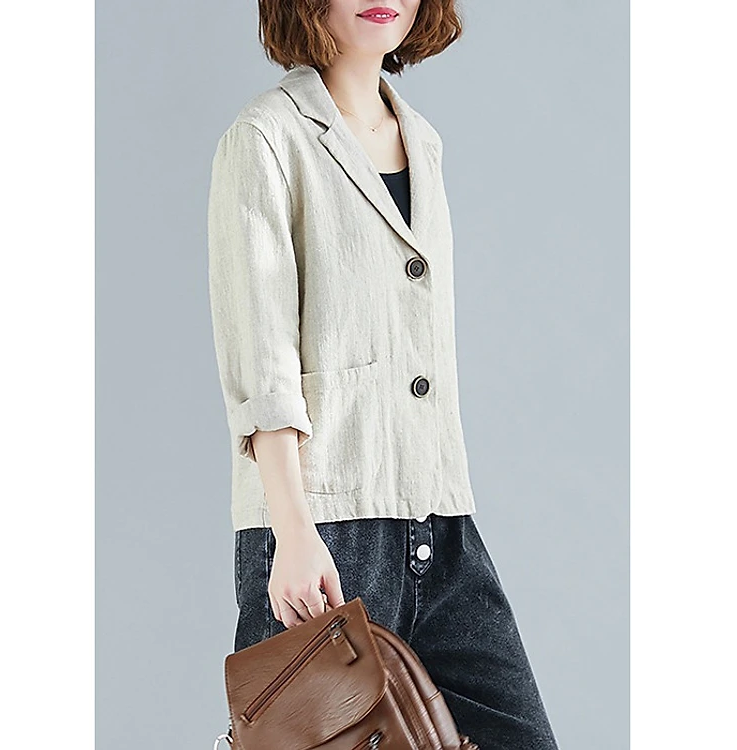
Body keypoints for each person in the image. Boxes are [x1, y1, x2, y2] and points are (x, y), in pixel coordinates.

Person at [207, 2, 561, 748]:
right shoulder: (266, 137)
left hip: (439, 518)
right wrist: (291, 532)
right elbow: (262, 360)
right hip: (325, 528)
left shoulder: (422, 141)